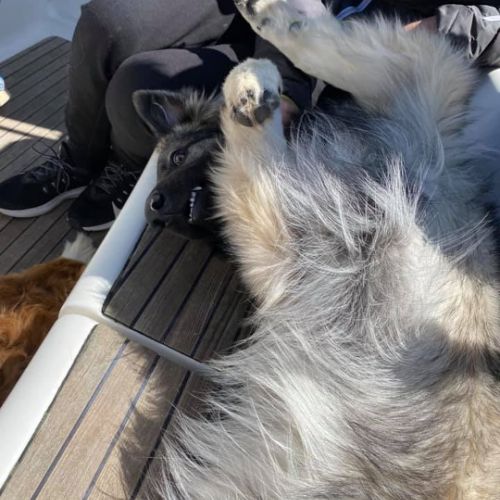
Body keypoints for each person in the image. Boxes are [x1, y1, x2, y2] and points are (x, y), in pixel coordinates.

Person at [0, 0, 499, 232]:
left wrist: (434, 26)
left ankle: (127, 167)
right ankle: (77, 161)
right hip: (272, 13)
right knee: (105, 23)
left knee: (138, 82)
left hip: (354, 58)